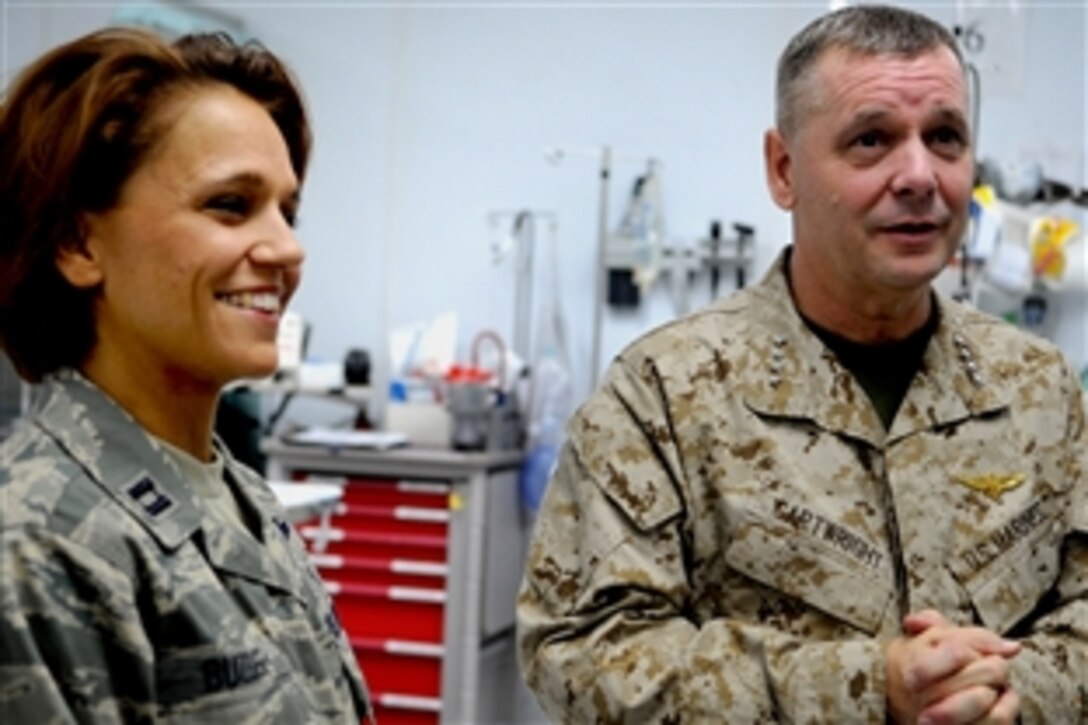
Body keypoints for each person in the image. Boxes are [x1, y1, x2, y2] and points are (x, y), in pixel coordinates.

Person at [517, 5, 1086, 723]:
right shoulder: (665, 395)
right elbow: (580, 649)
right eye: (871, 139)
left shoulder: (1039, 388)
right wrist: (864, 687)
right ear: (784, 170)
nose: (919, 174)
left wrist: (1016, 695)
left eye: (944, 137)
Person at [0, 27, 372, 721]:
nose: (288, 248)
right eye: (230, 204)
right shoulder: (37, 544)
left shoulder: (242, 499)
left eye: (287, 211)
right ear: (78, 242)